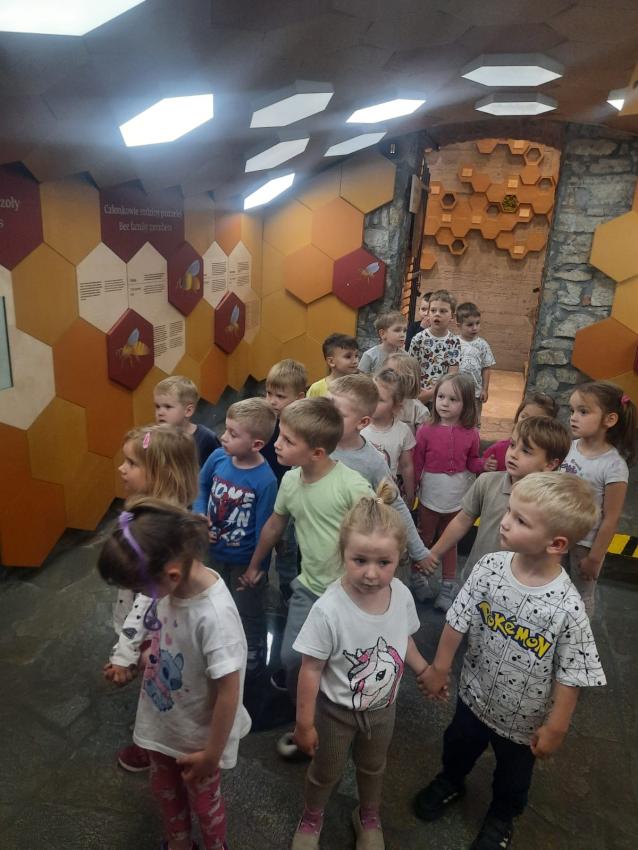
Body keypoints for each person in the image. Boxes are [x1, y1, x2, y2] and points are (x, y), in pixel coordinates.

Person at [415, 473, 606, 850]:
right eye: (509, 511)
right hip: (474, 693)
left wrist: (557, 726)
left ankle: (502, 816)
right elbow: (458, 618)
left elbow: (572, 673)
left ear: (556, 543)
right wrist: (439, 667)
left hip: (523, 719)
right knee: (457, 745)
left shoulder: (568, 608)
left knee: (513, 776)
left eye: (520, 520)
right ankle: (451, 780)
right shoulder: (489, 567)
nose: (504, 522)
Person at [99, 498, 251, 850]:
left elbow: (229, 691)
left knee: (205, 804)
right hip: (163, 721)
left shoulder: (214, 617)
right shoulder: (170, 587)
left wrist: (212, 754)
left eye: (140, 589)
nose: (140, 597)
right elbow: (163, 634)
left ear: (170, 575)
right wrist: (141, 658)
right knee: (164, 790)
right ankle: (178, 843)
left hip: (198, 737)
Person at [290, 483, 431, 850]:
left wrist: (424, 670)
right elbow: (310, 668)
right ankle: (312, 815)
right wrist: (304, 724)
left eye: (383, 563)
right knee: (326, 771)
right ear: (343, 554)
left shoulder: (401, 595)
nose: (371, 573)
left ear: (399, 557)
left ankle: (368, 814)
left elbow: (404, 639)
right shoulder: (329, 609)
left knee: (373, 767)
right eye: (360, 560)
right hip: (335, 713)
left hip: (384, 710)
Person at [239, 398, 373, 710]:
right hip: (310, 588)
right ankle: (303, 716)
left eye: (288, 440)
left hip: (350, 593)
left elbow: (377, 531)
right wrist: (255, 565)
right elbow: (274, 525)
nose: (276, 444)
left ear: (317, 453)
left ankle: (333, 712)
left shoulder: (351, 486)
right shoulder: (289, 480)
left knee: (343, 661)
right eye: (280, 435)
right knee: (291, 657)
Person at [107, 423, 200, 773]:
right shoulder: (151, 513)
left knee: (158, 689)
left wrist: (125, 654)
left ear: (161, 474)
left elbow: (147, 601)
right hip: (145, 623)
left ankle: (152, 745)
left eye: (131, 463)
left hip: (155, 628)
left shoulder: (162, 530)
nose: (121, 468)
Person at [423, 417, 572, 586]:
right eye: (512, 445)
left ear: (550, 464)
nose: (513, 454)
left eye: (526, 451)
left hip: (516, 587)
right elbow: (461, 521)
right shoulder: (487, 482)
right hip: (475, 577)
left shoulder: (551, 502)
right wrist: (434, 553)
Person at [193, 398, 278, 674]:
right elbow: (201, 486)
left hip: (244, 562)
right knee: (210, 601)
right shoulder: (218, 457)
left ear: (256, 444)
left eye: (232, 433)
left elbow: (266, 530)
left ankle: (252, 647)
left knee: (247, 608)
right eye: (226, 430)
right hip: (212, 553)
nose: (223, 437)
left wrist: (256, 568)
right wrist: (199, 515)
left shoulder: (266, 480)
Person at [328, 373, 435, 591]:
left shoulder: (372, 461)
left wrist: (419, 551)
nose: (327, 418)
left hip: (353, 554)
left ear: (362, 422)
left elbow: (395, 504)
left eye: (338, 414)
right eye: (327, 409)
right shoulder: (316, 446)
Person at [561, 381, 636, 615]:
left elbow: (611, 518)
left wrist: (595, 558)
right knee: (552, 586)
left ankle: (577, 635)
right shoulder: (568, 448)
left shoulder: (614, 466)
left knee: (580, 597)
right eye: (572, 410)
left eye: (583, 412)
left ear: (609, 420)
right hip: (556, 532)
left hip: (585, 545)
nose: (573, 417)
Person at [414, 373, 484, 611]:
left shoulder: (471, 433)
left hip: (457, 496)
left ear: (466, 404)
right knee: (423, 538)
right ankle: (418, 577)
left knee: (450, 541)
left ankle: (447, 586)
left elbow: (472, 461)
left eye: (453, 399)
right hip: (430, 495)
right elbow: (417, 462)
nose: (444, 403)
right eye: (441, 396)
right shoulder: (425, 430)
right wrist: (412, 488)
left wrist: (484, 464)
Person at [261, 359, 307, 601]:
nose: (272, 401)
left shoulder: (304, 429)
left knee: (291, 544)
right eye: (269, 393)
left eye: (280, 396)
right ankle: (276, 584)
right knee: (273, 539)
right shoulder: (265, 422)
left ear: (299, 398)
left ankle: (291, 587)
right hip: (268, 495)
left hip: (293, 497)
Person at [361, 368, 415, 506]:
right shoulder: (358, 426)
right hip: (360, 495)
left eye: (380, 399)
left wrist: (410, 494)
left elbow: (406, 466)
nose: (372, 402)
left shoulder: (402, 431)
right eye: (370, 395)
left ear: (395, 406)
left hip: (388, 497)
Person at [483, 391, 559, 472]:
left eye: (526, 451)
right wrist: (484, 465)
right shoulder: (497, 449)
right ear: (517, 417)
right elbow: (481, 464)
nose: (526, 423)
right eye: (523, 417)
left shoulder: (548, 458)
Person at [154, 375, 220, 466]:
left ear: (188, 411)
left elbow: (220, 467)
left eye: (168, 407)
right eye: (157, 407)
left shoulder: (206, 438)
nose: (160, 412)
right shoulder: (153, 438)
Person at [408, 289, 461, 404]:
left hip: (442, 397)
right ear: (428, 313)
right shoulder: (418, 339)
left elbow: (453, 373)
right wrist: (417, 394)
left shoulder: (454, 341)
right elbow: (411, 369)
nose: (437, 314)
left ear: (452, 316)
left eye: (443, 311)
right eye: (433, 310)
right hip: (418, 396)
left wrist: (435, 392)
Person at [456, 302, 496, 426]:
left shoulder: (482, 345)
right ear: (459, 325)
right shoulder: (453, 342)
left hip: (475, 393)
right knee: (456, 418)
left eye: (477, 323)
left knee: (474, 421)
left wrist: (485, 389)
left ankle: (473, 436)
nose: (475, 328)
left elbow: (486, 368)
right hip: (456, 391)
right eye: (470, 325)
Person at [384, 351, 430, 435]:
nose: (387, 378)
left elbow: (424, 438)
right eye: (385, 374)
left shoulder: (419, 410)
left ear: (410, 380)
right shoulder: (377, 403)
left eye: (394, 375)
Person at [306, 333, 359, 398]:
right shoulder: (316, 389)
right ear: (331, 361)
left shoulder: (360, 387)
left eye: (356, 356)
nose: (355, 361)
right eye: (348, 356)